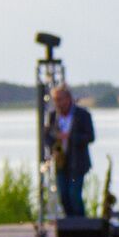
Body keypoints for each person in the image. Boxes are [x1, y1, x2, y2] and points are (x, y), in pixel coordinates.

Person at [45, 85, 95, 218]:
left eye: (60, 99)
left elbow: (90, 137)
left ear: (68, 99)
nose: (57, 103)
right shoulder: (53, 116)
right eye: (55, 100)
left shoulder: (83, 114)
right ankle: (70, 225)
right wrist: (53, 145)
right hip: (61, 163)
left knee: (74, 195)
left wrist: (70, 137)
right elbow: (47, 136)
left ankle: (81, 226)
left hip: (77, 163)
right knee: (64, 196)